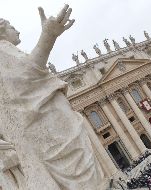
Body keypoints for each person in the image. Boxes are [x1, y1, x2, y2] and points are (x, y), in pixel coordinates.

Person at [0, 5, 103, 190]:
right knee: (83, 180)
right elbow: (28, 72)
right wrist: (48, 36)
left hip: (49, 124)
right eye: (11, 27)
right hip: (49, 129)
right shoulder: (2, 51)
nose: (17, 30)